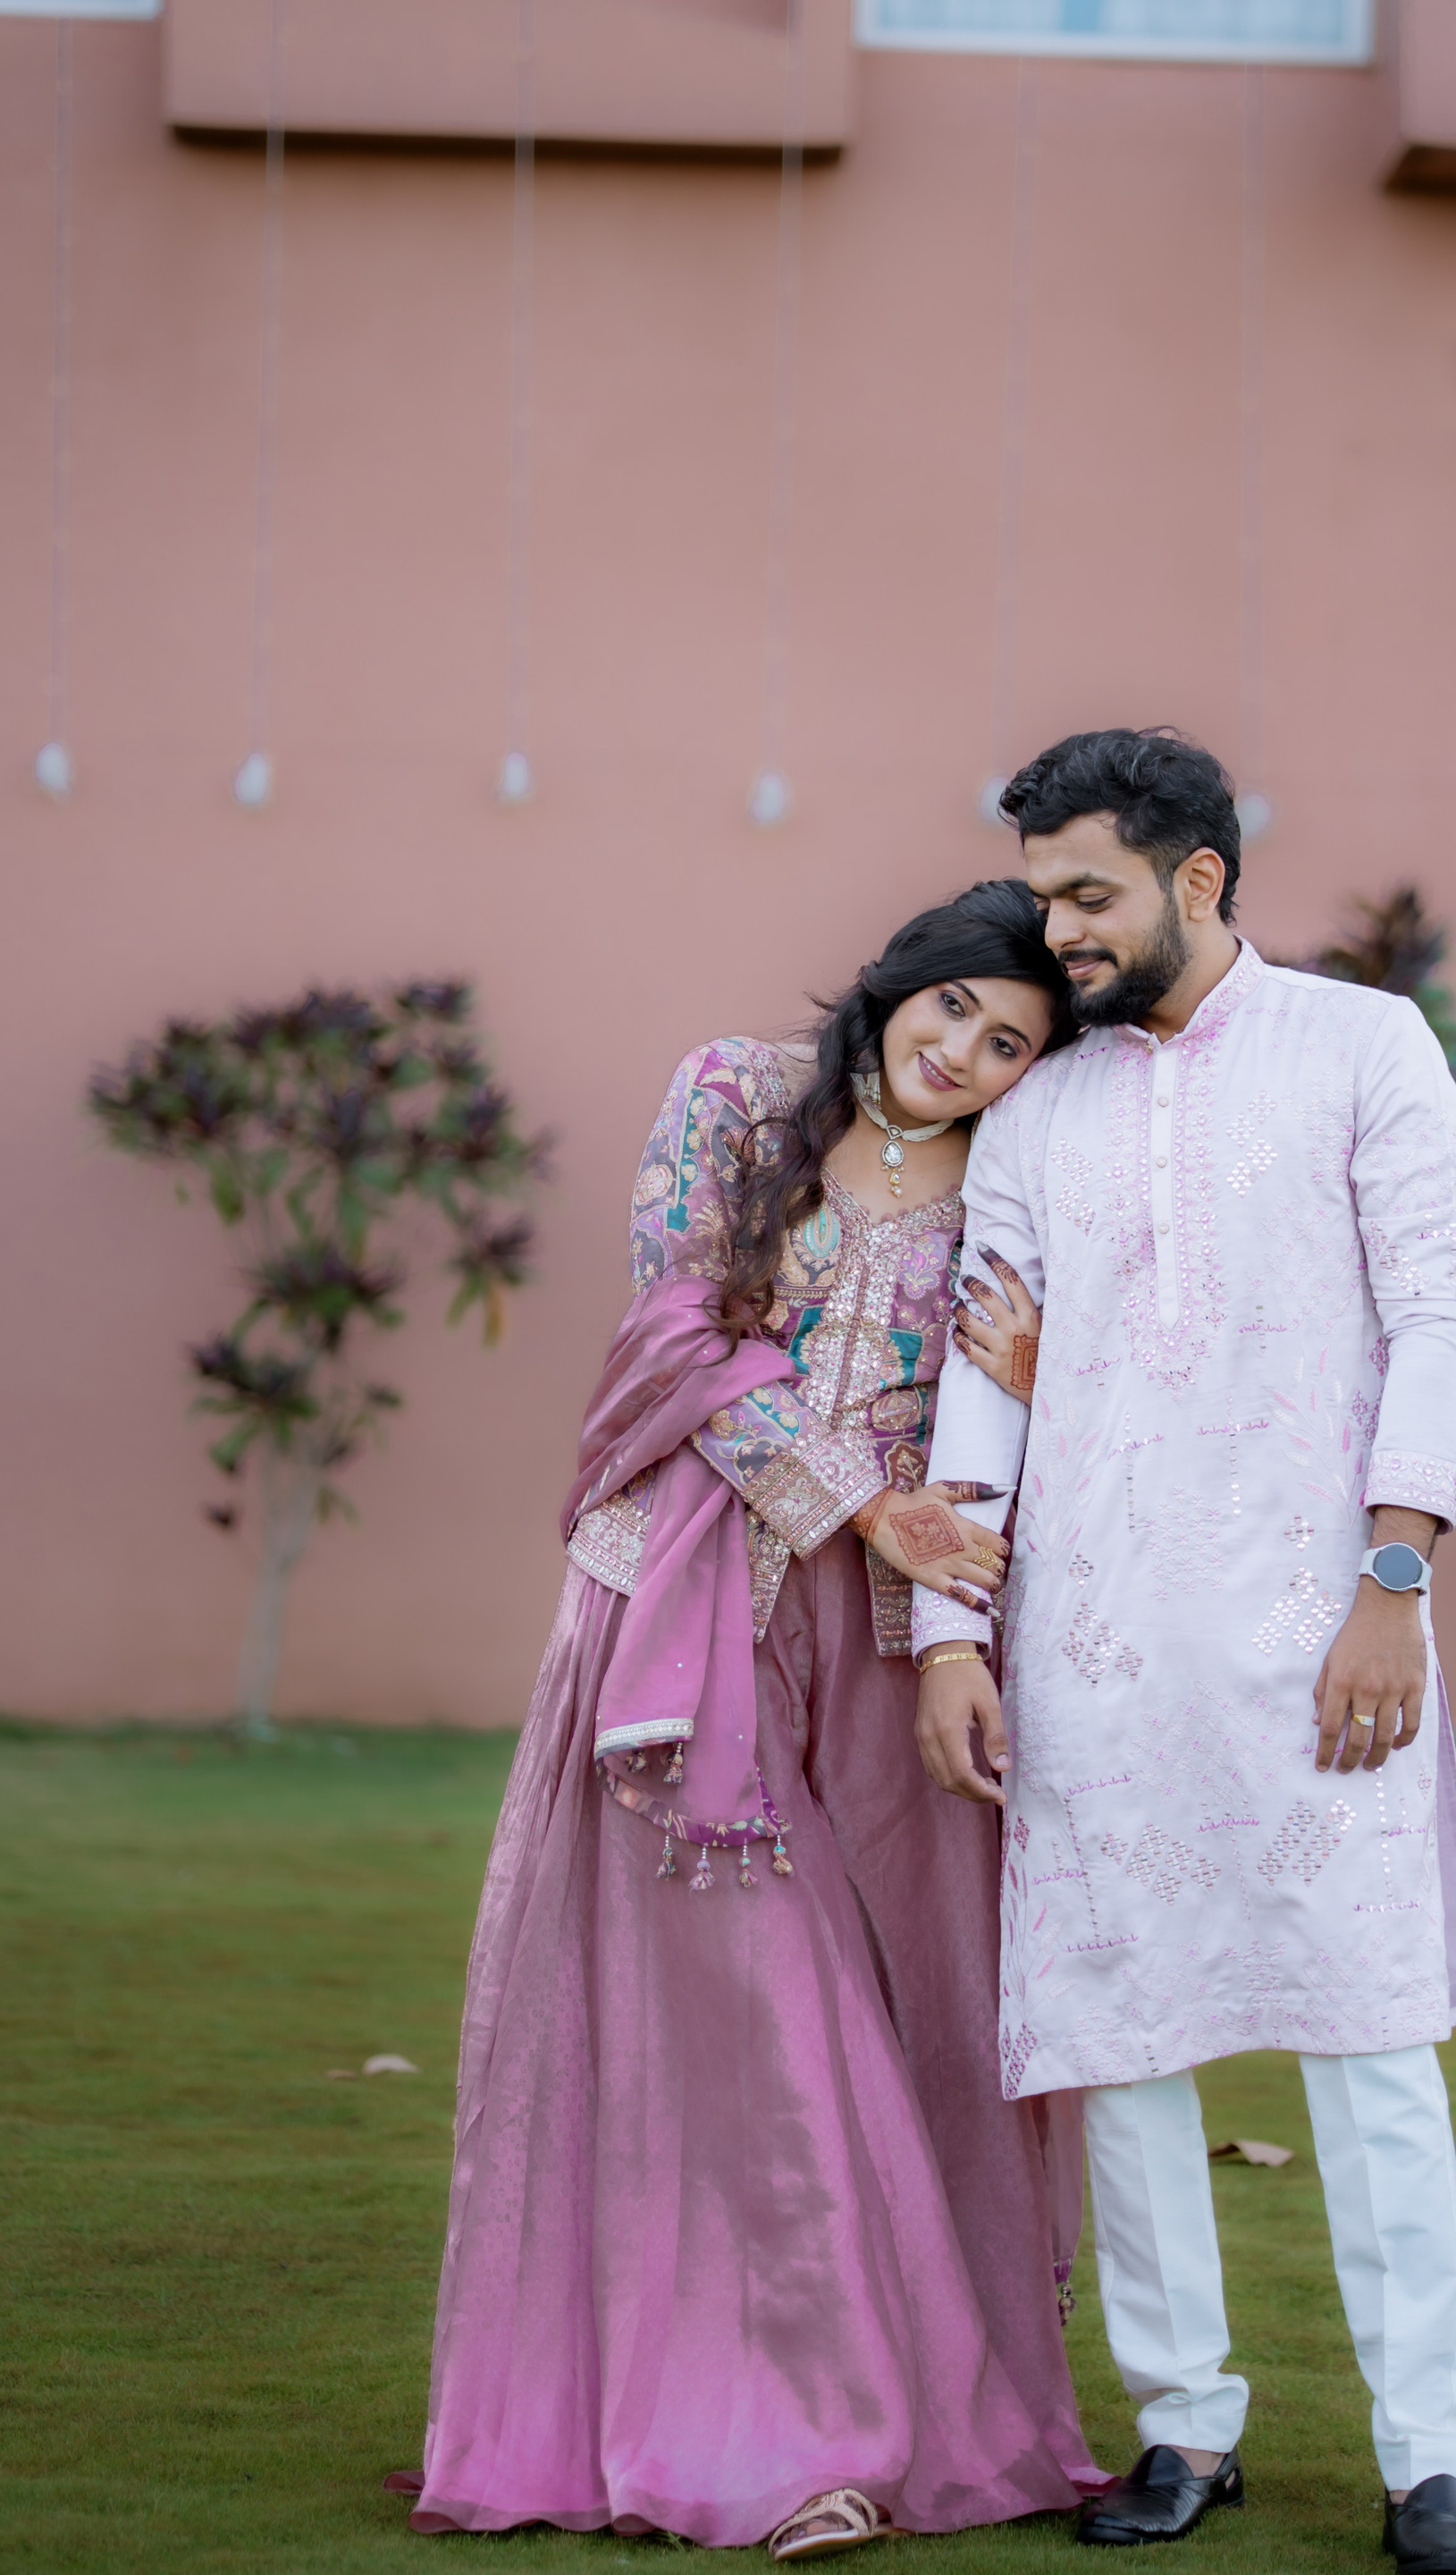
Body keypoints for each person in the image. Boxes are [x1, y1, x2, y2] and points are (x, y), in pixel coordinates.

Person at [400, 881, 1103, 2557]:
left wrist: (1047, 1373)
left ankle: (898, 2403)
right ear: (899, 984)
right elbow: (680, 1329)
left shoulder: (1026, 1176)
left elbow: (1064, 1403)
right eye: (954, 1008)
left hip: (899, 1635)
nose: (965, 1053)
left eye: (1011, 1043)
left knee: (928, 2010)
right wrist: (864, 1500)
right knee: (742, 2019)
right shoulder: (733, 1091)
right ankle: (802, 2444)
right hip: (681, 1610)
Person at [913, 732, 1456, 2572]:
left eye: (1088, 894)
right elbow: (986, 1380)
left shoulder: (1362, 1048)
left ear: (1199, 879)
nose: (1057, 933)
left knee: (1373, 2047)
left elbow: (1436, 1313)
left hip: (1329, 1639)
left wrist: (1393, 1584)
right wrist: (948, 1633)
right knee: (1123, 2046)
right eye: (1045, 896)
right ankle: (1184, 2427)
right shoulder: (1041, 1110)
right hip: (1093, 1648)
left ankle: (1428, 2460)